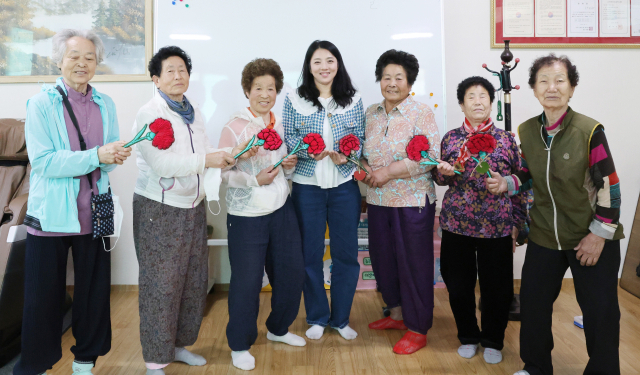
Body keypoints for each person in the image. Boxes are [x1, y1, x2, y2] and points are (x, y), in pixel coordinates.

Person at [486, 54, 624, 375]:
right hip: (546, 233)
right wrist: (505, 182)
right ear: (533, 89)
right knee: (533, 305)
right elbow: (528, 174)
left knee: (600, 312)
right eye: (544, 81)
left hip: (590, 235)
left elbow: (610, 186)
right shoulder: (528, 131)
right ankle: (535, 368)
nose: (552, 87)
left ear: (572, 88)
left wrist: (598, 235)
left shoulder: (589, 131)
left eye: (560, 80)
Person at [132, 46, 255, 375]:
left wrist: (231, 152)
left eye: (182, 70)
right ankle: (156, 360)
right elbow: (161, 163)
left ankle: (179, 345)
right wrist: (207, 160)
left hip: (192, 206)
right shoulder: (150, 113)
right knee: (161, 285)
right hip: (159, 207)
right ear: (156, 79)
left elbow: (203, 153)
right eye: (170, 71)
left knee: (191, 280)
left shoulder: (193, 111)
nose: (177, 76)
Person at [16, 29, 131, 375]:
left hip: (96, 211)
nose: (82, 63)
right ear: (59, 60)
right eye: (74, 56)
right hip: (51, 215)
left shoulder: (104, 103)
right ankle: (34, 367)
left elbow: (106, 160)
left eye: (90, 57)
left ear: (98, 62)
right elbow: (45, 162)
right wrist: (98, 154)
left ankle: (85, 363)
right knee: (41, 301)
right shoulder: (40, 104)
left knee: (94, 295)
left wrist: (114, 155)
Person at [218, 58, 305, 371]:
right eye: (259, 88)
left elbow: (276, 164)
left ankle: (278, 329)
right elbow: (223, 174)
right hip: (247, 215)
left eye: (271, 88)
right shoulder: (234, 127)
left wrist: (286, 165)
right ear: (247, 90)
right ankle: (240, 345)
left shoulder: (277, 122)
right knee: (247, 282)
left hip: (282, 209)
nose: (265, 93)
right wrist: (253, 178)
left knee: (291, 273)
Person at [432, 76, 526, 364]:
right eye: (470, 96)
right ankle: (469, 336)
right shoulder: (450, 138)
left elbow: (522, 180)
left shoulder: (507, 139)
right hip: (456, 223)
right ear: (461, 104)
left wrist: (516, 222)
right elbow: (436, 176)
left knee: (497, 287)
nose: (477, 101)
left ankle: (493, 339)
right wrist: (443, 173)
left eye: (483, 95)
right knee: (458, 284)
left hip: (496, 224)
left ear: (491, 102)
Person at [283, 40, 365, 341]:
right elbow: (288, 137)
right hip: (307, 187)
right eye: (317, 61)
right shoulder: (294, 99)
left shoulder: (353, 99)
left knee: (346, 255)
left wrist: (349, 155)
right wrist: (307, 151)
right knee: (310, 254)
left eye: (330, 60)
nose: (324, 67)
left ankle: (341, 319)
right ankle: (317, 316)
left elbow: (360, 139)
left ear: (338, 64)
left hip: (344, 185)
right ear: (309, 66)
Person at [361, 50, 440, 354]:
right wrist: (368, 170)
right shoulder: (370, 112)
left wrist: (389, 172)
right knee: (383, 260)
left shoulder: (421, 113)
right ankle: (395, 314)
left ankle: (418, 328)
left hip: (412, 201)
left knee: (414, 265)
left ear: (409, 82)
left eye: (398, 78)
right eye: (386, 77)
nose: (391, 83)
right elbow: (361, 152)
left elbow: (429, 156)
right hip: (378, 199)